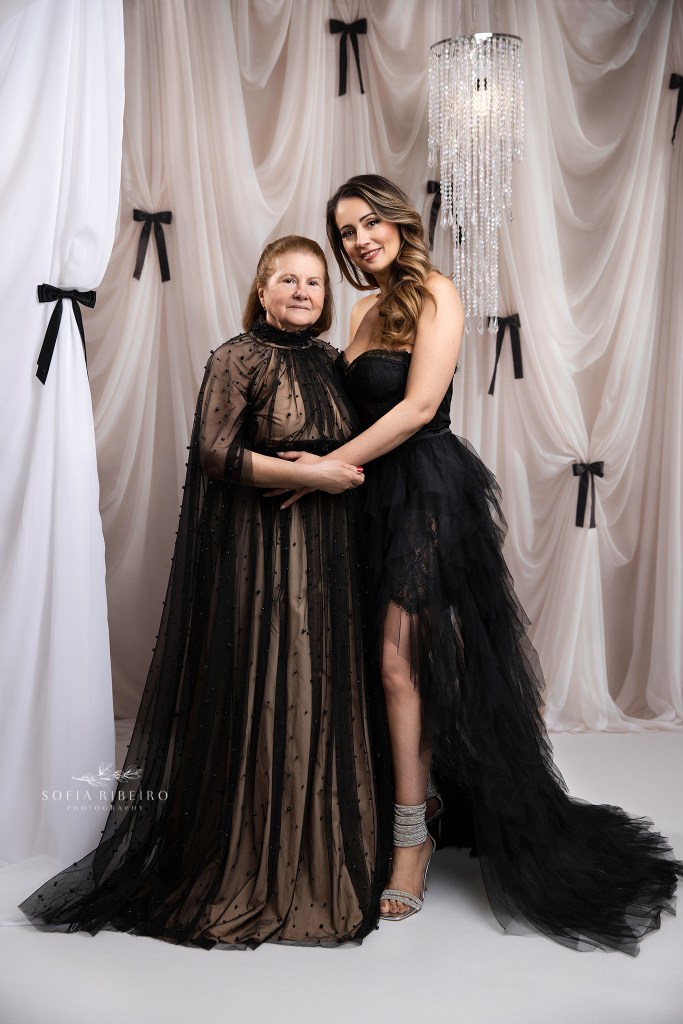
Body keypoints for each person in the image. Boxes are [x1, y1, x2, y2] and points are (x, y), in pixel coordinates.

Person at [276, 176, 682, 953]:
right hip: (365, 495)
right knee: (376, 668)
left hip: (427, 491)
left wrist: (324, 472)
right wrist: (311, 457)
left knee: (402, 667)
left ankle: (409, 840)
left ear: (397, 224)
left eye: (370, 224)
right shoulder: (359, 311)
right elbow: (355, 414)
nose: (359, 240)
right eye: (345, 232)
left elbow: (418, 408)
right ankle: (406, 805)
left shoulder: (436, 292)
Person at [19, 235, 392, 948]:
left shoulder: (331, 364)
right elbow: (216, 453)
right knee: (272, 688)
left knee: (323, 694)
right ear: (261, 287)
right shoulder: (236, 357)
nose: (302, 291)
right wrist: (307, 477)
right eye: (287, 278)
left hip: (331, 557)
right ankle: (254, 861)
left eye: (314, 281)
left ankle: (321, 859)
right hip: (262, 558)